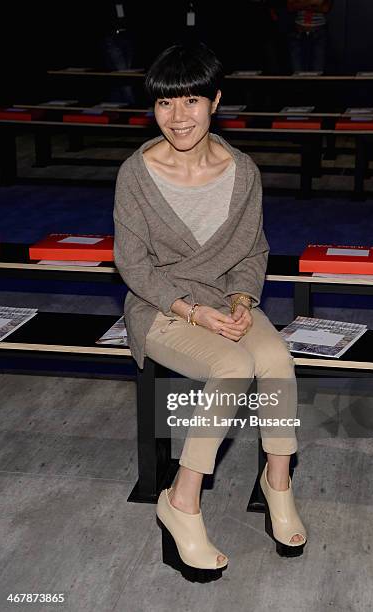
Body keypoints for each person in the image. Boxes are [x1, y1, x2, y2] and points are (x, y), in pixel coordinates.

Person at [113, 42, 306, 582]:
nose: (177, 118)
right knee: (233, 367)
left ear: (216, 101)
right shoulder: (137, 173)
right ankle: (182, 499)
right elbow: (133, 265)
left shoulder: (242, 171)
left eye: (191, 101)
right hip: (160, 307)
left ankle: (278, 483)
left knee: (276, 360)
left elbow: (253, 251)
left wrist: (243, 302)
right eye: (165, 104)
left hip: (227, 300)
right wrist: (196, 313)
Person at [287, 0, 332, 73]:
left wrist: (301, 3)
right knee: (297, 73)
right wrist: (312, 3)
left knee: (317, 72)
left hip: (319, 32)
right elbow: (290, 7)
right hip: (298, 32)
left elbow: (325, 8)